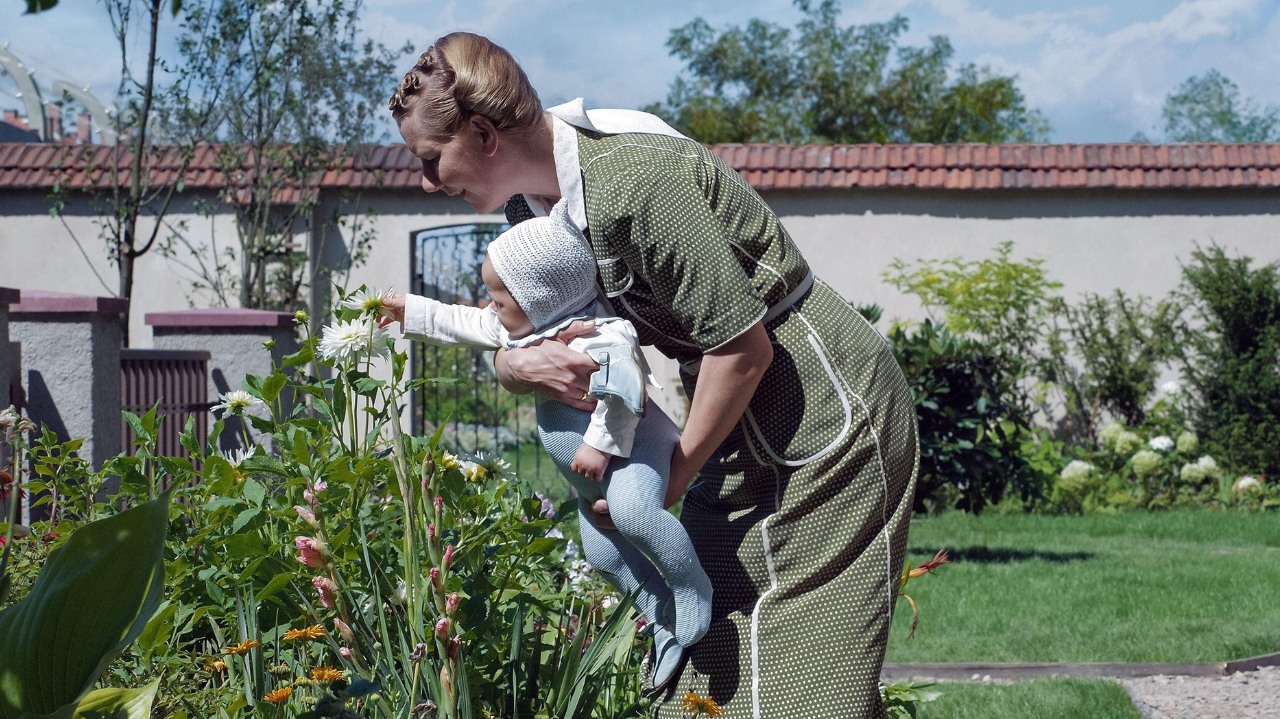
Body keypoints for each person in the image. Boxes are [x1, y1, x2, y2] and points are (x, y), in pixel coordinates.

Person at [387, 31, 919, 718]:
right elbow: (518, 336)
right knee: (704, 668)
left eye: (432, 159)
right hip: (731, 416)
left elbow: (743, 350)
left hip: (822, 407)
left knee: (808, 685)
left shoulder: (636, 180)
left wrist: (670, 480)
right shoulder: (531, 212)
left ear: (484, 132)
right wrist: (518, 367)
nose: (428, 181)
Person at [381, 200, 712, 689]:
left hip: (632, 451)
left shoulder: (600, 335)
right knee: (603, 555)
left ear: (540, 297)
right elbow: (462, 322)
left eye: (499, 297)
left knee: (636, 513)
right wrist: (408, 310)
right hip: (588, 477)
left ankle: (690, 588)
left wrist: (599, 446)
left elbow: (625, 391)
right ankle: (658, 611)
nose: (489, 304)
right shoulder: (524, 329)